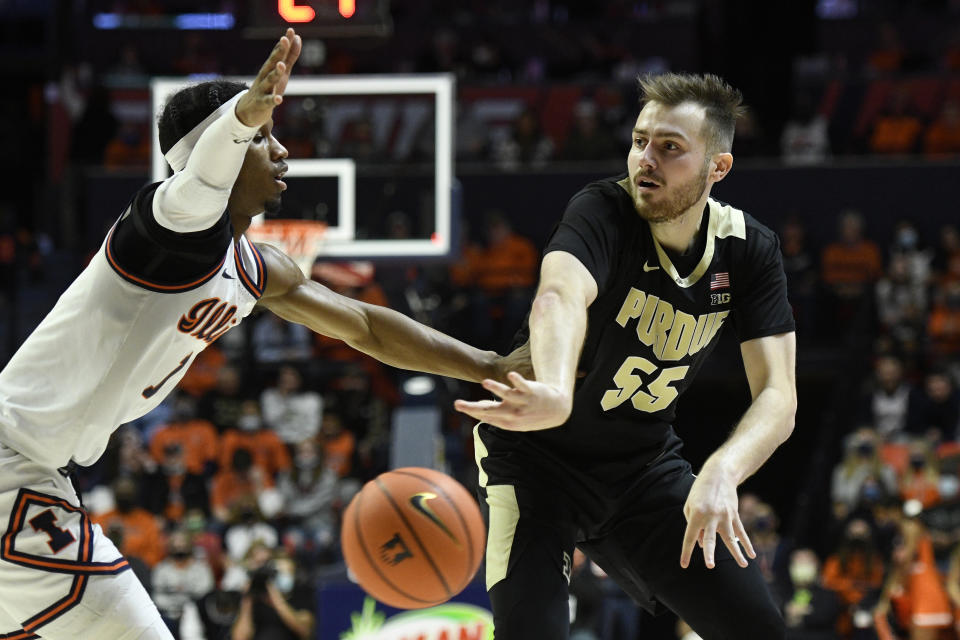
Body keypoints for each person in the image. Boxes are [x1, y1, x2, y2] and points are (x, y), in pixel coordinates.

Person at [0, 29, 525, 639]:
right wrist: (243, 113)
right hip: (13, 468)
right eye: (263, 139)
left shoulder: (252, 266)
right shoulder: (166, 228)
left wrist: (489, 364)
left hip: (41, 472)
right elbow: (198, 185)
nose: (281, 152)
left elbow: (365, 326)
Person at [456, 72, 797, 638]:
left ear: (718, 167)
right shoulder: (601, 210)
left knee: (759, 627)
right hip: (536, 463)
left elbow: (778, 396)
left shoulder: (748, 250)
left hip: (640, 466)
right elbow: (560, 294)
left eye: (669, 148)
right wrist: (558, 388)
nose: (646, 159)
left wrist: (722, 471)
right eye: (640, 141)